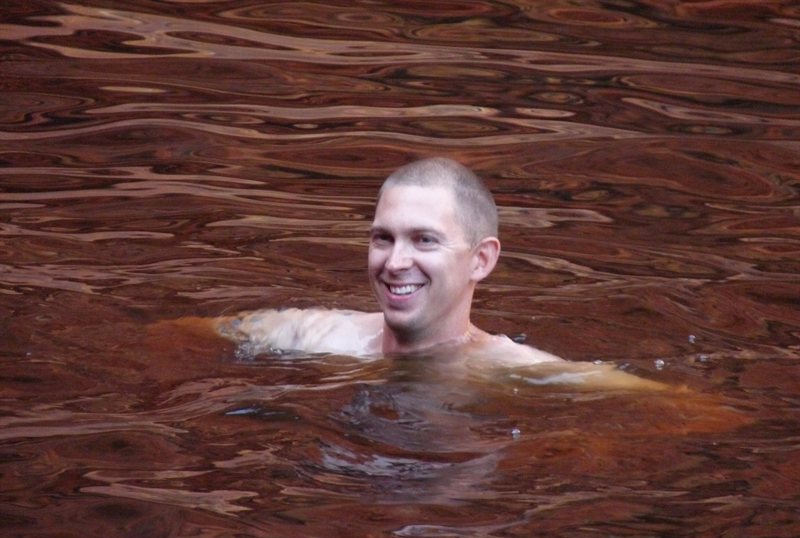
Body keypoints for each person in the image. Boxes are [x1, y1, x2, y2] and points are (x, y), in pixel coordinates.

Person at [177, 157, 664, 389]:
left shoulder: (522, 371)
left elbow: (676, 407)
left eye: (424, 239)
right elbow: (176, 339)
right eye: (382, 238)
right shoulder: (309, 334)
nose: (394, 263)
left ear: (482, 260)